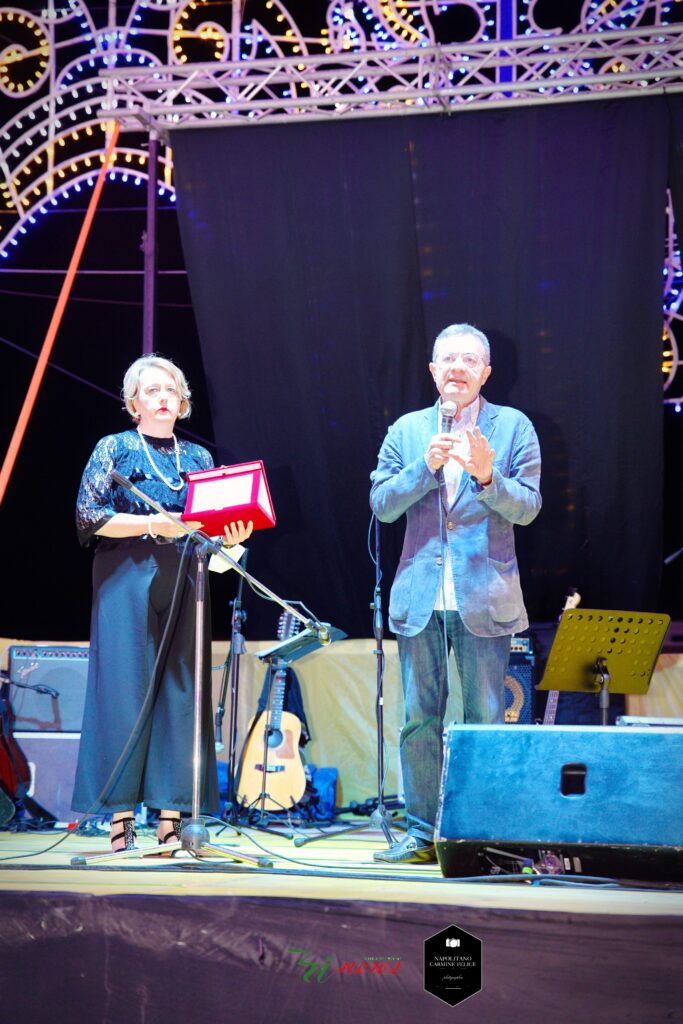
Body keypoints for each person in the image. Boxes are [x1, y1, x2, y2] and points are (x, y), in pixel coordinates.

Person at [370, 324, 541, 863]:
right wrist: (426, 468)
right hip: (420, 597)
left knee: (486, 717)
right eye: (448, 359)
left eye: (470, 360)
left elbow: (529, 507)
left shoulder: (512, 428)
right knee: (420, 717)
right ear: (433, 371)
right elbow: (382, 504)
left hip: (485, 596)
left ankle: (490, 835)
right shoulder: (408, 429)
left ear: (485, 373)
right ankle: (422, 834)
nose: (457, 368)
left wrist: (489, 478)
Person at [72, 354, 253, 852]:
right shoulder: (115, 448)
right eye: (151, 390)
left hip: (186, 574)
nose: (162, 397)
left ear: (183, 401)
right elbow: (89, 517)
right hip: (124, 574)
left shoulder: (198, 459)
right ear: (134, 403)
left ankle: (172, 816)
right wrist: (158, 524)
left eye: (170, 389)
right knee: (124, 691)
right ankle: (120, 818)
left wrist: (232, 536)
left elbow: (209, 526)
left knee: (181, 693)